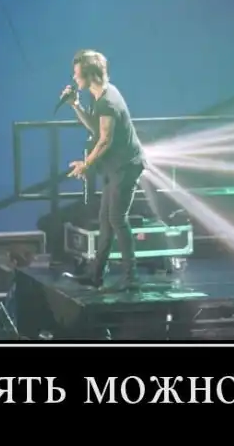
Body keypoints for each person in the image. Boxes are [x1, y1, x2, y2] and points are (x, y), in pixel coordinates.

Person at [64, 49, 145, 290]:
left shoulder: (108, 101)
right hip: (115, 167)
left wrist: (85, 164)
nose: (74, 78)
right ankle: (96, 274)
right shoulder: (101, 95)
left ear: (90, 74)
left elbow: (105, 140)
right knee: (106, 219)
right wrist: (75, 105)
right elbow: (96, 128)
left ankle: (132, 277)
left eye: (77, 73)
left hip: (126, 167)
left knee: (117, 219)